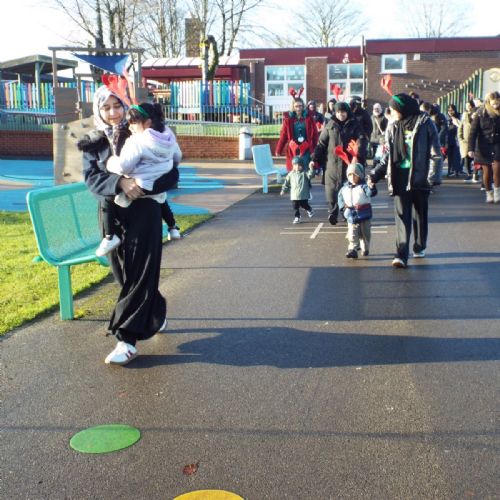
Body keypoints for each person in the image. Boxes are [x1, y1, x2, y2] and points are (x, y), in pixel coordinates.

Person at [77, 84, 178, 365]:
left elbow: (172, 172)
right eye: (106, 107)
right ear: (99, 111)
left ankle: (126, 339)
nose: (113, 113)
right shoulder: (93, 141)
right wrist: (120, 183)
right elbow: (92, 178)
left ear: (125, 106)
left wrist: (143, 187)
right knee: (123, 274)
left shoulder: (144, 131)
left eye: (117, 106)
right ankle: (153, 311)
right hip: (111, 217)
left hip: (145, 211)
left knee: (139, 273)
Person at [95, 102, 182, 256]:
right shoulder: (168, 138)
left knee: (107, 198)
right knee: (161, 198)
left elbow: (124, 166)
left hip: (141, 183)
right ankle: (173, 227)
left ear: (147, 123)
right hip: (159, 181)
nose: (130, 128)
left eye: (133, 123)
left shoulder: (137, 141)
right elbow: (177, 157)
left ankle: (109, 237)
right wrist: (166, 167)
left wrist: (110, 162)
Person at [370, 93, 442, 268]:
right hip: (399, 176)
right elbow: (388, 155)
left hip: (420, 177)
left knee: (420, 215)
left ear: (403, 109)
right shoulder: (393, 126)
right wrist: (374, 175)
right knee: (402, 217)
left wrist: (431, 178)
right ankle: (401, 254)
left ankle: (419, 245)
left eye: (393, 109)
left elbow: (435, 154)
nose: (390, 113)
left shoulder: (425, 123)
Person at [310, 101, 368, 225]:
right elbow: (321, 144)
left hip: (349, 164)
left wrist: (357, 155)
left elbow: (362, 140)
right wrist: (314, 159)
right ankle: (332, 212)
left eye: (343, 112)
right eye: (338, 112)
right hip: (332, 164)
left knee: (348, 189)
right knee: (331, 190)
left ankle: (346, 212)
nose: (340, 114)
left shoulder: (354, 124)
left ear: (347, 112)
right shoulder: (330, 125)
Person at [338, 162, 377, 258]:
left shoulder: (363, 187)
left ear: (360, 175)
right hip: (351, 213)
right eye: (350, 175)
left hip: (364, 212)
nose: (352, 177)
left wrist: (371, 187)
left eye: (355, 175)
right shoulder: (344, 188)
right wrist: (343, 207)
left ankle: (365, 247)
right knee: (352, 232)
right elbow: (340, 197)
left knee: (365, 233)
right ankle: (353, 249)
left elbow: (370, 193)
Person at [468, 91, 500, 203]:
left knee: (497, 170)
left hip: (497, 144)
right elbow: (473, 132)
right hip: (483, 145)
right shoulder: (480, 113)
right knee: (486, 172)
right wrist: (470, 149)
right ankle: (488, 193)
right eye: (493, 104)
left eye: (498, 103)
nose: (495, 106)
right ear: (488, 102)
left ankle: (497, 192)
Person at [276, 94, 319, 172]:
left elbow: (315, 135)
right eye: (296, 106)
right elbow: (283, 135)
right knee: (294, 170)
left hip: (306, 149)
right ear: (293, 107)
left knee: (305, 169)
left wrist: (315, 150)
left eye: (300, 106)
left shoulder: (309, 118)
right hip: (293, 149)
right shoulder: (288, 120)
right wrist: (278, 150)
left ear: (303, 106)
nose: (298, 108)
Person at [280, 156, 316, 223]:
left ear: (302, 166)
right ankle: (297, 217)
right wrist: (283, 190)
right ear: (293, 166)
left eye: (299, 165)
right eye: (295, 165)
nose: (297, 167)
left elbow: (311, 175)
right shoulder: (291, 174)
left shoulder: (304, 173)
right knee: (295, 206)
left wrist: (311, 168)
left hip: (303, 194)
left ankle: (309, 209)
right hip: (294, 195)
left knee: (304, 205)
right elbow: (286, 183)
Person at [458, 100, 479, 182]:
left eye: (469, 105)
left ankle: (475, 174)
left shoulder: (477, 114)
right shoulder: (464, 116)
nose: (468, 107)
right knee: (466, 158)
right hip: (466, 141)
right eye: (466, 106)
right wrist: (461, 138)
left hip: (476, 141)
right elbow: (460, 127)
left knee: (476, 159)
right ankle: (469, 174)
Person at [446, 104, 463, 177]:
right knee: (450, 155)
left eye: (452, 110)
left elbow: (461, 126)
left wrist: (455, 120)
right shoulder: (446, 117)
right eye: (449, 110)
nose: (450, 112)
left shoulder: (459, 116)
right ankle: (450, 170)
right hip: (449, 138)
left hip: (456, 138)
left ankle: (457, 170)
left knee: (456, 155)